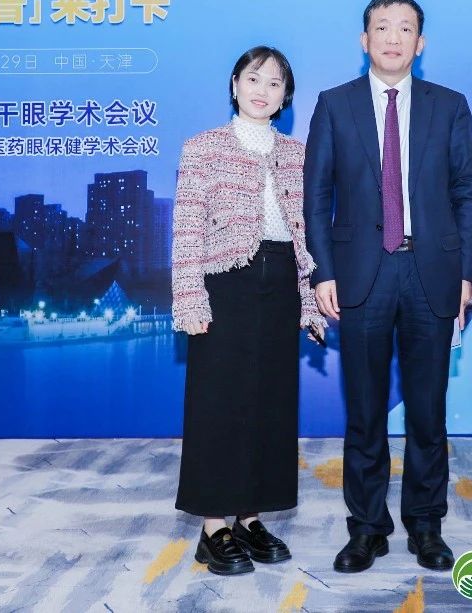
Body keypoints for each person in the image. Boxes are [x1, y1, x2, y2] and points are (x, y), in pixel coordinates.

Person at [304, 0, 472, 573]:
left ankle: (426, 526)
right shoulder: (334, 104)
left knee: (428, 412)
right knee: (364, 411)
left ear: (420, 44)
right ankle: (366, 529)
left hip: (432, 274)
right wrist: (324, 270)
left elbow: (467, 192)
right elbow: (317, 195)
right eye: (382, 27)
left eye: (405, 28)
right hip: (362, 275)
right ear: (365, 40)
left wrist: (465, 274)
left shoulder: (448, 105)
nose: (393, 37)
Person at [171, 46, 327, 576]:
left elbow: (305, 236)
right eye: (254, 78)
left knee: (270, 403)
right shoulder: (203, 148)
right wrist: (189, 297)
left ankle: (250, 517)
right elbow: (187, 230)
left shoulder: (297, 153)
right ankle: (213, 527)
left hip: (281, 282)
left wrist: (308, 300)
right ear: (235, 84)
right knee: (219, 404)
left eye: (275, 83)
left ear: (286, 97)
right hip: (225, 284)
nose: (263, 90)